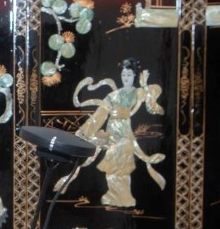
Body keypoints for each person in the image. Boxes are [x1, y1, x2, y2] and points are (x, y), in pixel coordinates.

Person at [67, 58, 166, 208]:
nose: (126, 78)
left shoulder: (139, 93)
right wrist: (84, 132)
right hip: (111, 132)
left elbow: (154, 108)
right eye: (124, 75)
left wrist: (145, 86)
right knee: (112, 167)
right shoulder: (113, 96)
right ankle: (113, 196)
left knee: (123, 167)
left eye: (129, 75)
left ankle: (124, 198)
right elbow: (99, 115)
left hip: (125, 133)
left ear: (134, 76)